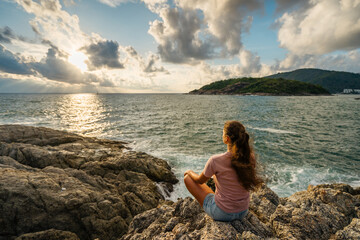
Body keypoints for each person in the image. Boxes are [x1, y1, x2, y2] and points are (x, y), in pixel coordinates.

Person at [184, 120, 263, 222]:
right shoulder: (250, 157)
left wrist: (189, 172)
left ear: (227, 139)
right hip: (243, 212)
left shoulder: (215, 160)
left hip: (222, 214)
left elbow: (200, 181)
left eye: (223, 133)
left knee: (187, 179)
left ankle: (218, 204)